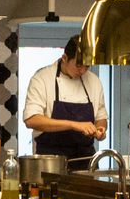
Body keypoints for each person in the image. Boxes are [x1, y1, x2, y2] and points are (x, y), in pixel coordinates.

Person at [21, 34, 108, 163]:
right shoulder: (42, 78)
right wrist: (74, 125)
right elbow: (31, 120)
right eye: (78, 65)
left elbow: (101, 117)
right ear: (64, 58)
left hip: (85, 161)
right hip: (50, 162)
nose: (82, 71)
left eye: (87, 66)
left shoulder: (94, 81)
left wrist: (100, 129)